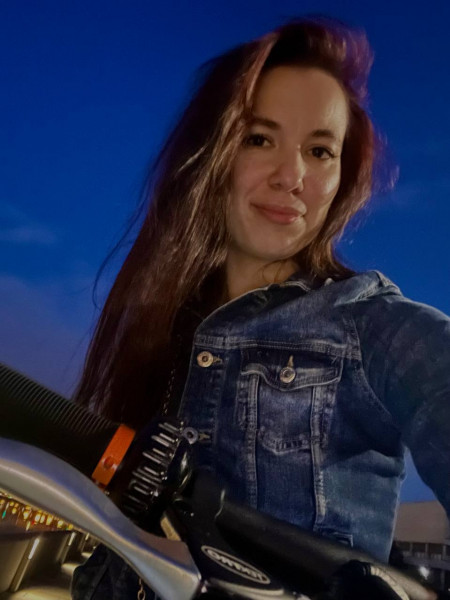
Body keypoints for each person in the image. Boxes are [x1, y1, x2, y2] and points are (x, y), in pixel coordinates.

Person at [71, 16, 450, 600]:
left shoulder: (366, 326)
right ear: (212, 152)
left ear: (341, 178)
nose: (292, 176)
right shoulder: (166, 332)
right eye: (259, 139)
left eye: (319, 151)